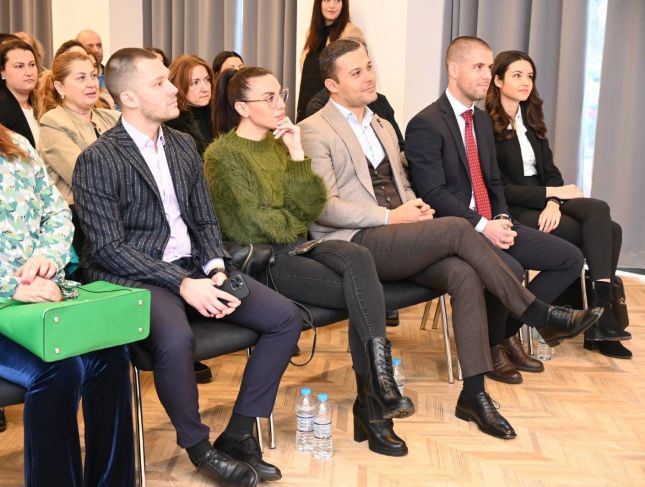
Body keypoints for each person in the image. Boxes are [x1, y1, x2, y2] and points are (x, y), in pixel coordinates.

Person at [299, 38, 602, 441]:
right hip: (355, 240)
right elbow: (324, 208)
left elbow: (404, 185)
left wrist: (416, 208)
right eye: (356, 72)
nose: (369, 76)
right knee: (459, 227)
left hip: (402, 234)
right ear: (332, 85)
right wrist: (392, 215)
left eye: (369, 66)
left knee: (464, 274)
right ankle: (539, 314)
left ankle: (473, 394)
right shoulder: (313, 129)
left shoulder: (381, 124)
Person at [72, 47, 301, 487]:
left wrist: (215, 268)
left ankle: (239, 433)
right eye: (159, 83)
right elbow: (108, 248)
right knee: (176, 340)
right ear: (129, 98)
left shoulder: (181, 145)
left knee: (284, 318)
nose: (172, 89)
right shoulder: (98, 158)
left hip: (194, 267)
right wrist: (182, 283)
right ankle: (199, 448)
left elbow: (204, 220)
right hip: (136, 277)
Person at [205, 66, 415, 457]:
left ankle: (378, 392)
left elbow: (313, 205)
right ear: (242, 108)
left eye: (280, 94)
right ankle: (375, 406)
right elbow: (253, 224)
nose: (280, 103)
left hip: (299, 247)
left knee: (359, 256)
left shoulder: (280, 145)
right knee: (365, 296)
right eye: (269, 98)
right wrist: (293, 215)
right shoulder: (222, 156)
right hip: (267, 263)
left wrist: (298, 152)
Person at [405, 36, 589, 384]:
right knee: (513, 268)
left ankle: (503, 333)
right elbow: (433, 194)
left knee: (569, 258)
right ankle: (493, 345)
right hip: (456, 231)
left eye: (489, 67)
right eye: (478, 67)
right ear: (453, 69)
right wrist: (482, 226)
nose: (487, 75)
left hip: (493, 222)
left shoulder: (481, 120)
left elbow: (493, 182)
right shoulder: (426, 123)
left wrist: (501, 218)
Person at [0, 122, 134, 486]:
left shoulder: (15, 144)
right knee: (58, 370)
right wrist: (10, 286)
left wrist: (47, 256)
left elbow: (57, 213)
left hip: (42, 300)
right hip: (8, 304)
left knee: (110, 355)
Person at [485, 50, 632, 358]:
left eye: (529, 76)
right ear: (497, 80)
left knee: (601, 212)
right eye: (517, 75)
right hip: (516, 208)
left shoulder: (531, 121)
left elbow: (551, 173)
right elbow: (499, 188)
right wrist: (549, 194)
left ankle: (601, 311)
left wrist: (553, 201)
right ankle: (600, 322)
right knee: (610, 232)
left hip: (545, 200)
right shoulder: (486, 125)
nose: (526, 82)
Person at [36, 50, 119, 253]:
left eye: (93, 75)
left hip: (119, 210)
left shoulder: (113, 118)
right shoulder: (53, 122)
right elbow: (83, 177)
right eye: (81, 78)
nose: (92, 83)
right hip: (79, 218)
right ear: (60, 87)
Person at [296, 0, 363, 121]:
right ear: (319, 3)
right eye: (327, 0)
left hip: (331, 110)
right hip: (305, 106)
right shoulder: (311, 32)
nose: (332, 5)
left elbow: (354, 75)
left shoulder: (351, 32)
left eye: (337, 1)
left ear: (343, 4)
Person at [167, 54, 214, 155]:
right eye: (195, 82)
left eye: (207, 80)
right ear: (178, 85)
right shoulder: (171, 125)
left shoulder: (220, 114)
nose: (205, 88)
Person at [0, 39, 39, 148]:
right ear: (2, 72)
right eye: (19, 66)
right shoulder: (2, 110)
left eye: (32, 64)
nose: (29, 72)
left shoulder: (43, 104)